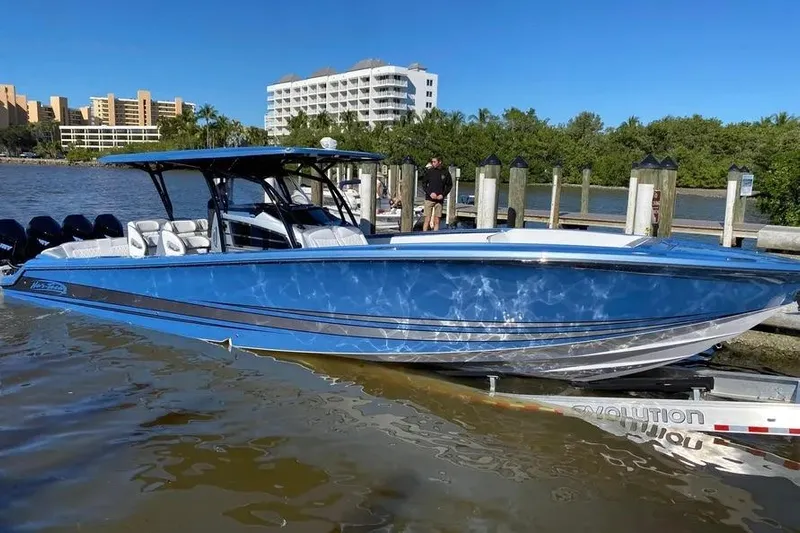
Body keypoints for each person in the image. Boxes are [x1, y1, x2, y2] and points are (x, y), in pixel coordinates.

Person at [419, 156, 453, 231]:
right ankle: (424, 236)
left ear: (439, 162)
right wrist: (430, 193)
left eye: (434, 162)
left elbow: (450, 185)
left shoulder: (445, 172)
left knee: (437, 221)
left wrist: (443, 195)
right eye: (432, 162)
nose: (433, 163)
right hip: (429, 199)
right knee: (427, 220)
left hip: (439, 200)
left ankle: (435, 235)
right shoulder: (429, 171)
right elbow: (424, 184)